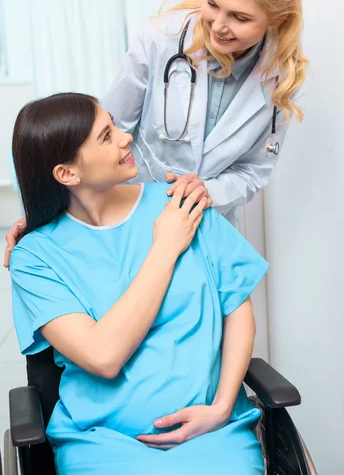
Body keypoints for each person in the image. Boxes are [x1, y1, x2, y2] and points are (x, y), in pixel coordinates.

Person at [4, 0, 307, 267]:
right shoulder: (161, 40)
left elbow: (252, 172)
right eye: (212, 4)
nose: (219, 25)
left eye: (239, 17)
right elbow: (103, 138)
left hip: (209, 226)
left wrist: (208, 192)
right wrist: (48, 217)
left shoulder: (282, 76)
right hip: (133, 217)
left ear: (276, 19)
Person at [10, 92, 268, 475]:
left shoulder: (181, 202)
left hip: (212, 436)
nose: (125, 137)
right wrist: (166, 247)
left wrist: (222, 408)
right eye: (105, 136)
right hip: (100, 443)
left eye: (114, 125)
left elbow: (237, 310)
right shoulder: (35, 256)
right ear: (67, 174)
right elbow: (103, 357)